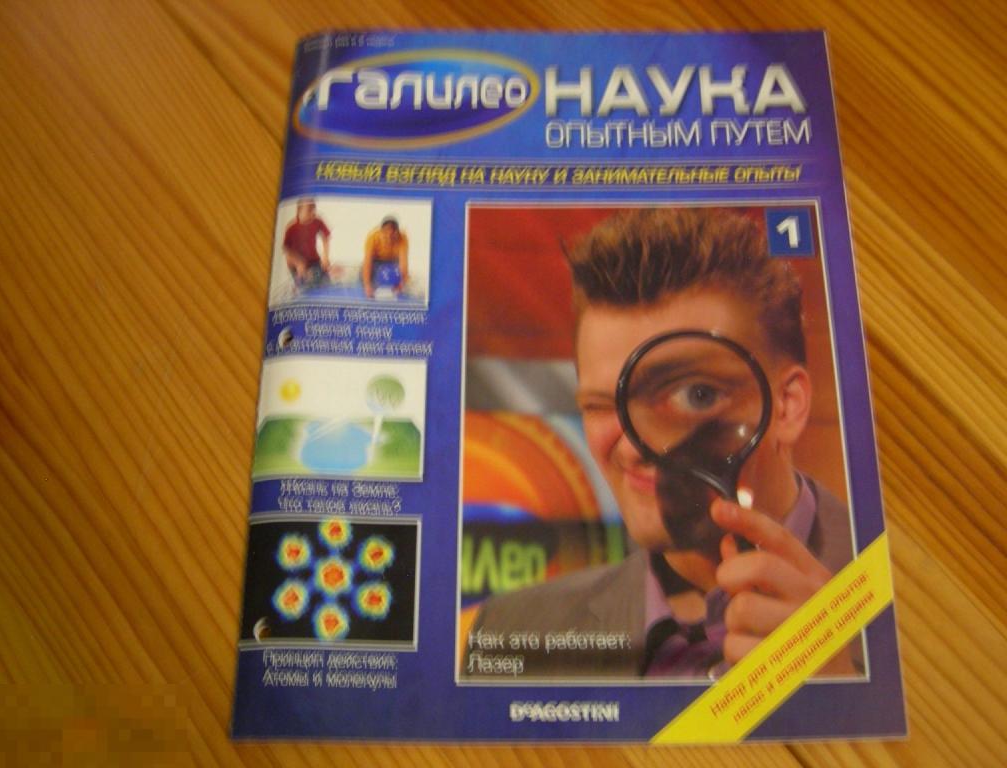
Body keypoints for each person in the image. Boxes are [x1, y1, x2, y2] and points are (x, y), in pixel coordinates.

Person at [463, 208, 859, 679]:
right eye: (601, 406)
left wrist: (839, 697)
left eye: (696, 395)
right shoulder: (512, 630)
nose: (633, 449)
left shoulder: (895, 598)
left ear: (788, 406)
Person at [283, 198, 331, 290]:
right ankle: (298, 285)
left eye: (314, 210)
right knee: (307, 287)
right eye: (309, 210)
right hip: (296, 264)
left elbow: (326, 237)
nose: (313, 214)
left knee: (326, 283)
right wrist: (298, 263)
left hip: (314, 261)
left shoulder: (317, 221)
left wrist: (325, 256)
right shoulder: (291, 228)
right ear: (299, 211)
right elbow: (287, 250)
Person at [362, 216, 409, 298]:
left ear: (397, 232)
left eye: (392, 234)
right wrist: (367, 285)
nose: (389, 237)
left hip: (392, 261)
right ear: (381, 232)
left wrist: (402, 283)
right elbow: (367, 262)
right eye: (386, 233)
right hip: (376, 260)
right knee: (368, 279)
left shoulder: (402, 238)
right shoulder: (372, 237)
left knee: (403, 281)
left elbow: (403, 262)